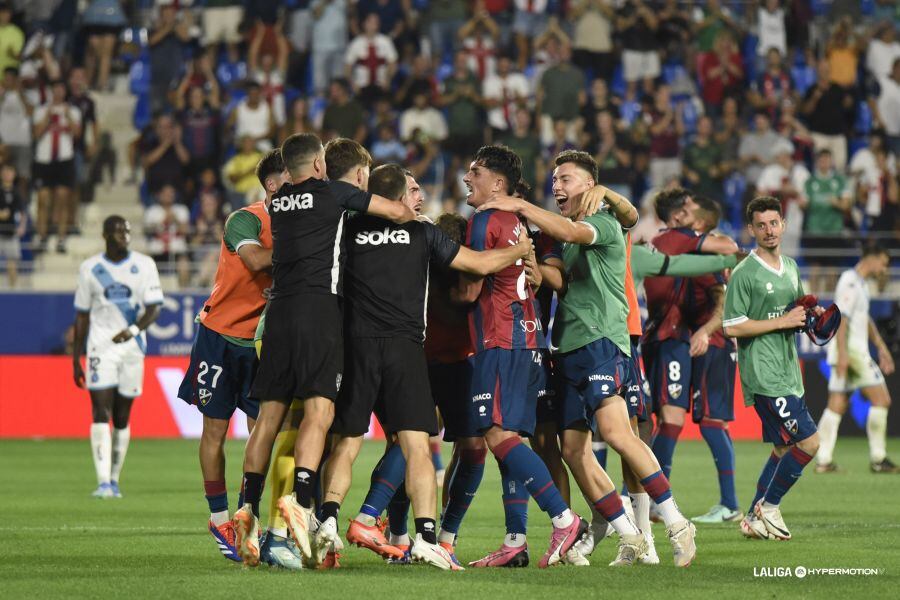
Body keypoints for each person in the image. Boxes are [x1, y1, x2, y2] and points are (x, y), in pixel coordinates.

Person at [479, 150, 698, 568]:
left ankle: (675, 521)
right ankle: (629, 536)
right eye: (555, 179)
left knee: (618, 434)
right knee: (574, 450)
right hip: (567, 348)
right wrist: (536, 270)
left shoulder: (603, 223)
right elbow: (562, 280)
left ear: (589, 185)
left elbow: (587, 227)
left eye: (566, 179)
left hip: (602, 342)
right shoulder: (568, 235)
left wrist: (521, 205)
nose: (557, 186)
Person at [320, 159, 533, 570]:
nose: (420, 197)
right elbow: (478, 265)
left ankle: (327, 524)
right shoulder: (421, 232)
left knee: (346, 443)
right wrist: (520, 250)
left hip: (357, 346)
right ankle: (428, 538)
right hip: (403, 349)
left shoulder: (348, 230)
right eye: (414, 190)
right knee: (418, 444)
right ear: (398, 196)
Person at [231, 133, 416, 568]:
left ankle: (248, 508)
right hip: (319, 311)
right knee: (320, 413)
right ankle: (298, 500)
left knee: (269, 418)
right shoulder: (334, 193)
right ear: (318, 164)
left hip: (278, 314)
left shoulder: (277, 203)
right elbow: (397, 212)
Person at [435, 145, 587, 570]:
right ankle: (515, 539)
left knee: (496, 435)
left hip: (499, 339)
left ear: (498, 184)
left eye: (475, 172)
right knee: (511, 439)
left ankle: (564, 519)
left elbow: (469, 289)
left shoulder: (484, 221)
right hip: (529, 339)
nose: (467, 178)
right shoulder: (519, 221)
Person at [177, 151, 288, 565]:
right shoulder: (245, 219)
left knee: (265, 431)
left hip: (262, 342)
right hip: (220, 337)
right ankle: (219, 517)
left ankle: (249, 515)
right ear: (274, 185)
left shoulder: (299, 225)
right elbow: (257, 259)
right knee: (215, 430)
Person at [723, 196, 822, 541]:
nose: (768, 230)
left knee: (783, 449)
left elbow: (798, 310)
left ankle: (752, 516)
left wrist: (813, 313)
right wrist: (783, 321)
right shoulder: (744, 273)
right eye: (761, 225)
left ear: (783, 224)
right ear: (751, 229)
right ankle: (769, 506)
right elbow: (732, 326)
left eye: (774, 223)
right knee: (809, 443)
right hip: (764, 375)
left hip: (788, 371)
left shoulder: (792, 267)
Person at [642, 188, 737, 488]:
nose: (691, 208)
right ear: (679, 216)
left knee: (668, 420)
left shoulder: (666, 244)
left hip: (673, 337)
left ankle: (645, 495)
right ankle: (649, 496)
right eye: (688, 205)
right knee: (672, 419)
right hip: (668, 336)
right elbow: (729, 246)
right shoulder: (677, 238)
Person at [72, 216, 163, 499]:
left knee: (122, 416)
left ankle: (114, 478)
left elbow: (154, 308)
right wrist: (76, 357)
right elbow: (82, 316)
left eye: (127, 230)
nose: (125, 235)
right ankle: (102, 482)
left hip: (133, 347)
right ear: (105, 235)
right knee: (100, 411)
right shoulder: (90, 269)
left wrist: (132, 329)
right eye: (119, 231)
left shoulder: (145, 265)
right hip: (101, 347)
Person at [817, 244, 898, 474]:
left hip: (849, 351)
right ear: (872, 258)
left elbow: (864, 319)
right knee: (882, 399)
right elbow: (841, 318)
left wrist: (881, 346)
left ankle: (823, 461)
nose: (883, 269)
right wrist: (843, 353)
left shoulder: (860, 284)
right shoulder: (850, 281)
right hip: (852, 352)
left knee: (837, 404)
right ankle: (878, 458)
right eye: (883, 263)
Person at [0, 162, 24, 287]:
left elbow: (22, 212)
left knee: (12, 262)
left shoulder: (17, 193)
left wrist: (21, 226)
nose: (7, 175)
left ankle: (12, 289)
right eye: (5, 172)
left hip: (11, 232)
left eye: (10, 172)